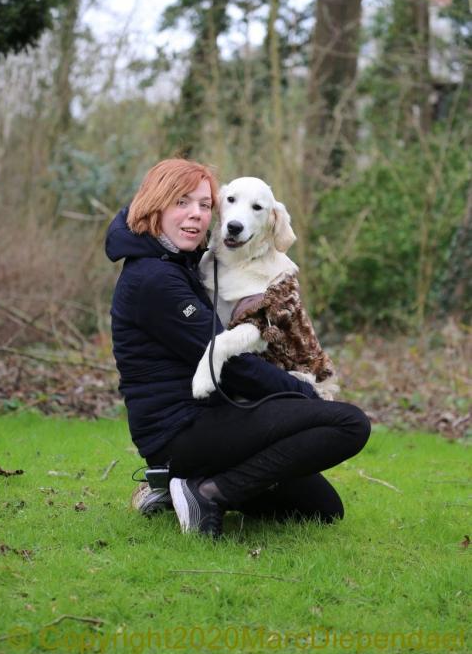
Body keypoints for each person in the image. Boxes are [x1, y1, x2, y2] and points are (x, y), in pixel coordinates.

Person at [106, 157, 371, 539]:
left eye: (202, 204)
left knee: (322, 509)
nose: (195, 215)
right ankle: (206, 492)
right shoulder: (154, 279)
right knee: (349, 423)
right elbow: (232, 368)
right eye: (181, 203)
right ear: (155, 205)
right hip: (179, 431)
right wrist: (304, 393)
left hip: (210, 417)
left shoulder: (181, 262)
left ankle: (176, 488)